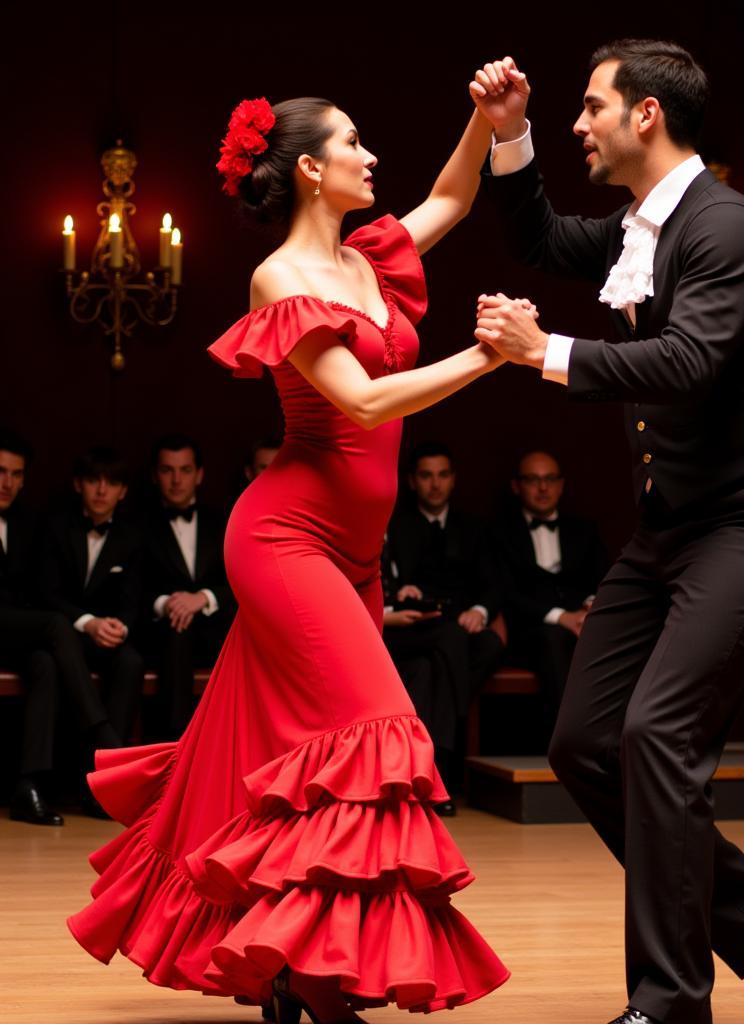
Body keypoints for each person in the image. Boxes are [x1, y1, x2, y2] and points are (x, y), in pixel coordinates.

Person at [68, 90, 511, 1024]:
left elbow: (453, 198)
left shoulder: (370, 258)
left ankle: (293, 972)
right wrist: (489, 356)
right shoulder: (284, 280)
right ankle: (324, 981)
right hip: (284, 539)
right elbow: (364, 403)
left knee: (273, 759)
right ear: (311, 167)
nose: (370, 154)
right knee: (381, 734)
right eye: (354, 141)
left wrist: (486, 114)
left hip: (355, 549)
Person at [471, 45, 744, 1024]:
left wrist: (544, 351)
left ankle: (670, 1001)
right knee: (585, 743)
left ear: (648, 114)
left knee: (656, 733)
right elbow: (539, 235)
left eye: (590, 108)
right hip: (676, 530)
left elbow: (688, 361)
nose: (579, 124)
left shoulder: (724, 225)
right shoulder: (643, 225)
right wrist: (510, 132)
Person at [0, 433, 120, 826]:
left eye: (16, 475)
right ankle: (104, 736)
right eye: (0, 472)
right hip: (13, 623)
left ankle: (27, 785)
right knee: (55, 625)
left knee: (45, 663)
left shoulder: (27, 521)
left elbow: (38, 589)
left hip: (15, 630)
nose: (7, 483)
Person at [383, 441, 504, 808]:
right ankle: (445, 769)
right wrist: (397, 596)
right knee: (444, 648)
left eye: (442, 475)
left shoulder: (473, 527)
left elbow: (495, 584)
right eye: (426, 476)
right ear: (411, 481)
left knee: (481, 648)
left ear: (453, 480)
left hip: (455, 630)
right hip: (408, 627)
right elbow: (377, 577)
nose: (435, 484)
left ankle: (430, 771)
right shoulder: (395, 523)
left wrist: (480, 611)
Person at [490, 449, 606, 743]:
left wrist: (588, 611)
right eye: (533, 479)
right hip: (527, 634)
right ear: (516, 486)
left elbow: (603, 581)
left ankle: (613, 745)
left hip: (583, 627)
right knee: (552, 639)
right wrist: (561, 618)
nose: (543, 488)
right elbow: (504, 592)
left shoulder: (584, 530)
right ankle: (565, 743)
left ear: (561, 484)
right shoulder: (499, 533)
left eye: (550, 479)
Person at [39, 447, 145, 758]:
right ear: (77, 484)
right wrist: (89, 623)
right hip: (65, 634)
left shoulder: (133, 535)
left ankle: (103, 773)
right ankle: (110, 750)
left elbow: (134, 598)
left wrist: (119, 628)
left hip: (108, 637)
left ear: (122, 491)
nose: (101, 490)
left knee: (131, 661)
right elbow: (46, 593)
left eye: (111, 483)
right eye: (93, 481)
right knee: (53, 658)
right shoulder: (55, 526)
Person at [142, 434, 235, 740]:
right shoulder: (137, 524)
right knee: (177, 629)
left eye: (184, 470)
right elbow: (130, 589)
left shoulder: (225, 521)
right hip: (163, 637)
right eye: (168, 470)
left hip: (217, 631)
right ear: (156, 476)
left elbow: (242, 582)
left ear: (199, 474)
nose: (176, 480)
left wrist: (203, 598)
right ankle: (177, 744)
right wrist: (165, 603)